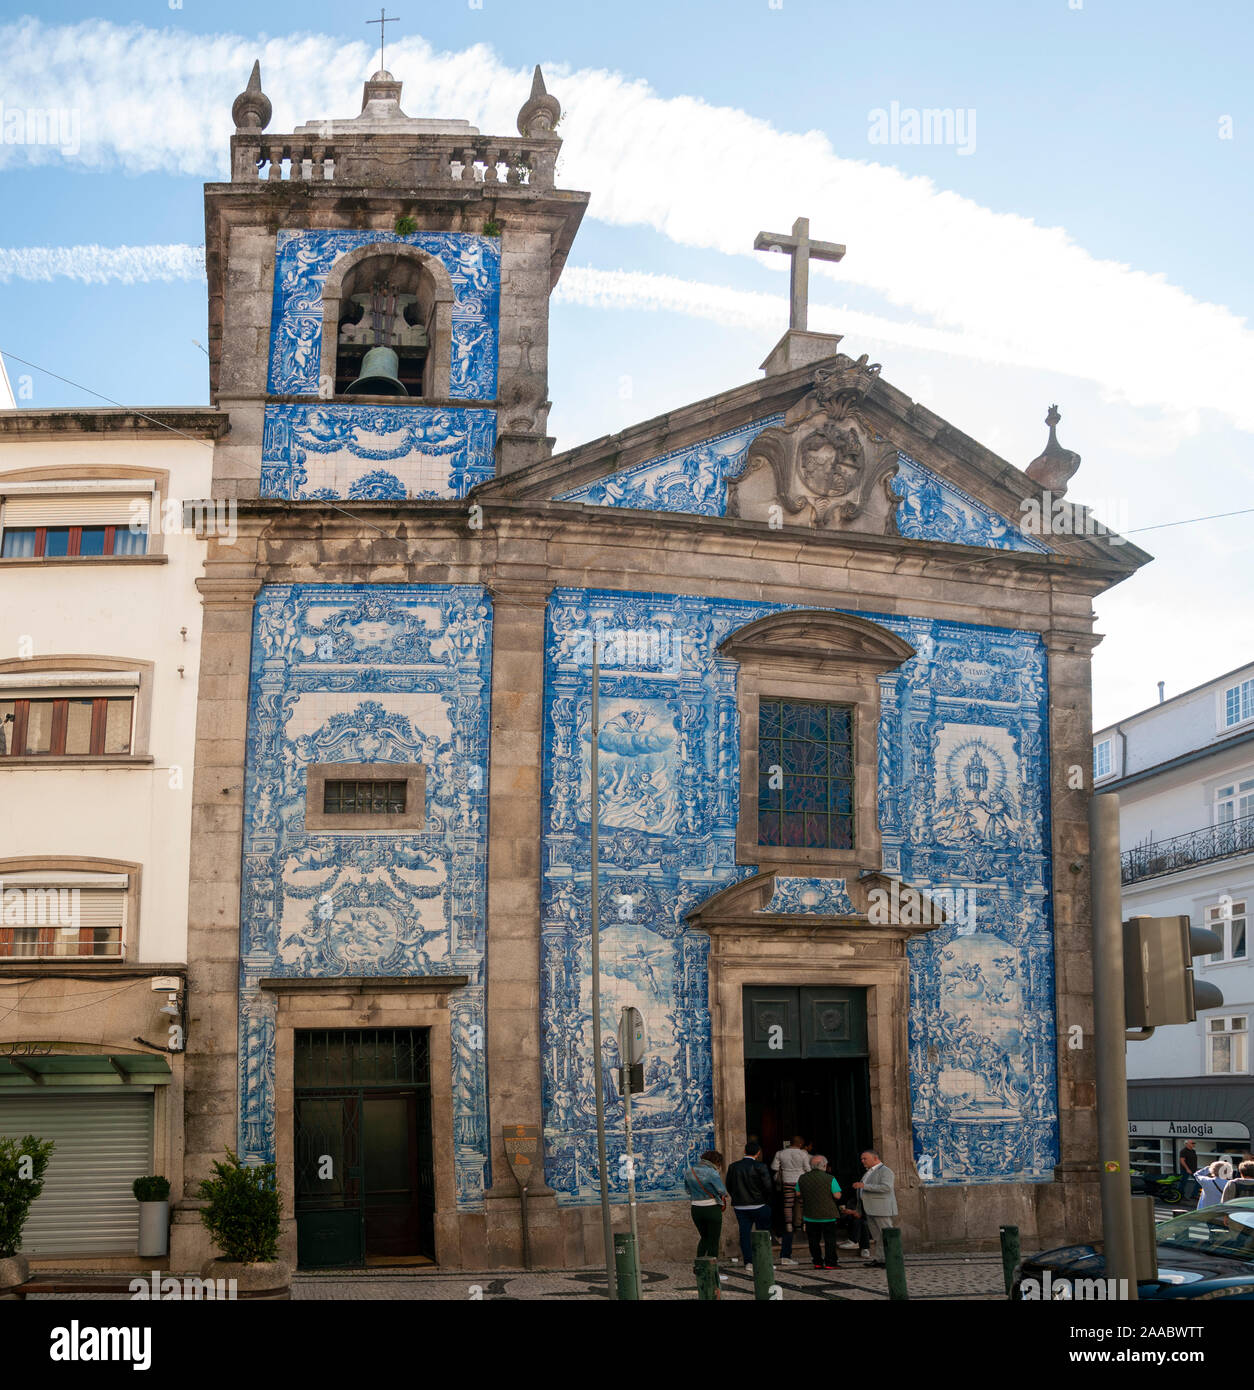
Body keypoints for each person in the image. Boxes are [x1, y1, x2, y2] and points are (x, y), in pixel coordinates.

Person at [725, 1141, 774, 1271]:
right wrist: (765, 1200)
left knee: (744, 1234)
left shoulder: (733, 1167)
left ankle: (749, 1262)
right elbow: (768, 1187)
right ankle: (763, 1260)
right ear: (758, 1153)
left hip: (740, 1207)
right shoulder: (760, 1166)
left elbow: (729, 1186)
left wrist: (738, 1198)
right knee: (763, 1233)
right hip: (759, 1205)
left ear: (744, 1151)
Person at [684, 1150, 728, 1274]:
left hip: (696, 1209)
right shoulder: (711, 1172)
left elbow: (687, 1190)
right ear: (716, 1161)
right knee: (713, 1240)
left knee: (704, 1238)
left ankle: (699, 1266)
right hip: (712, 1208)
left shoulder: (689, 1171)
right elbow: (722, 1190)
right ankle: (712, 1270)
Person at [797, 1154, 843, 1270]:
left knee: (813, 1240)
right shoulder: (830, 1178)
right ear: (825, 1165)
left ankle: (817, 1262)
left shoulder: (802, 1178)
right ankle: (830, 1263)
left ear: (811, 1166)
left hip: (810, 1215)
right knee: (829, 1240)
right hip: (828, 1215)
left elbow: (797, 1194)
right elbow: (837, 1196)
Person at [771, 1134, 811, 1266]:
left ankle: (788, 1223)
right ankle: (805, 1223)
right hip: (800, 1181)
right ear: (800, 1144)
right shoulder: (803, 1154)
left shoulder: (780, 1153)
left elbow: (774, 1167)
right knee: (803, 1203)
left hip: (787, 1181)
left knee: (788, 1205)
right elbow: (807, 1168)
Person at [854, 1149, 898, 1265]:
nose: (862, 1161)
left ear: (875, 1158)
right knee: (877, 1237)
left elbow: (886, 1187)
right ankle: (880, 1259)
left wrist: (865, 1186)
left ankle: (891, 1259)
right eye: (862, 1159)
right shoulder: (868, 1172)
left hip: (881, 1209)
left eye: (865, 1159)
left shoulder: (885, 1171)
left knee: (887, 1235)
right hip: (870, 1209)